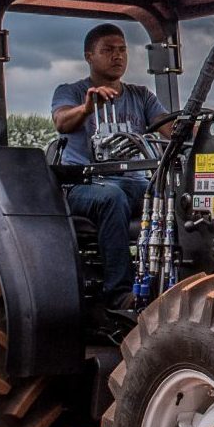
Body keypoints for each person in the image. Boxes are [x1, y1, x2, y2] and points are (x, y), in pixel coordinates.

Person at [52, 23, 172, 307]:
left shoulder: (140, 96)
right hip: (83, 187)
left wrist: (204, 131)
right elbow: (61, 121)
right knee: (112, 198)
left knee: (173, 197)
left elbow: (171, 129)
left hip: (135, 184)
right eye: (108, 50)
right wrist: (86, 108)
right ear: (89, 56)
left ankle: (170, 283)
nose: (117, 56)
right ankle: (119, 294)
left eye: (122, 50)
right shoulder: (70, 92)